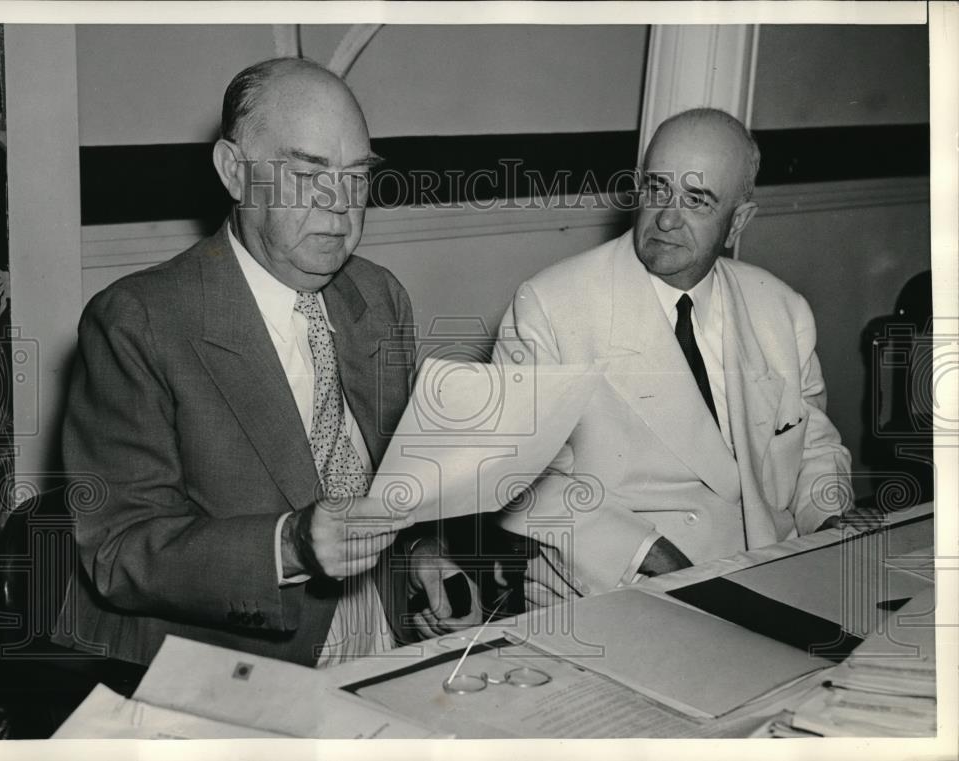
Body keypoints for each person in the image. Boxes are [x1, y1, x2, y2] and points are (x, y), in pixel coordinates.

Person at [54, 57, 478, 667]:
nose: (339, 206)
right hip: (223, 659)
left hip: (377, 630)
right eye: (308, 175)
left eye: (356, 178)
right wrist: (292, 546)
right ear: (234, 172)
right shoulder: (138, 322)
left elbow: (389, 481)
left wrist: (417, 555)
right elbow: (118, 550)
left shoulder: (379, 298)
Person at [492, 108, 853, 607]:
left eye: (697, 201)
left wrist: (831, 522)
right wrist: (651, 556)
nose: (666, 217)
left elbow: (814, 447)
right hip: (610, 590)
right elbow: (521, 480)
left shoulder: (782, 310)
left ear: (737, 223)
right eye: (657, 189)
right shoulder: (551, 304)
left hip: (768, 581)